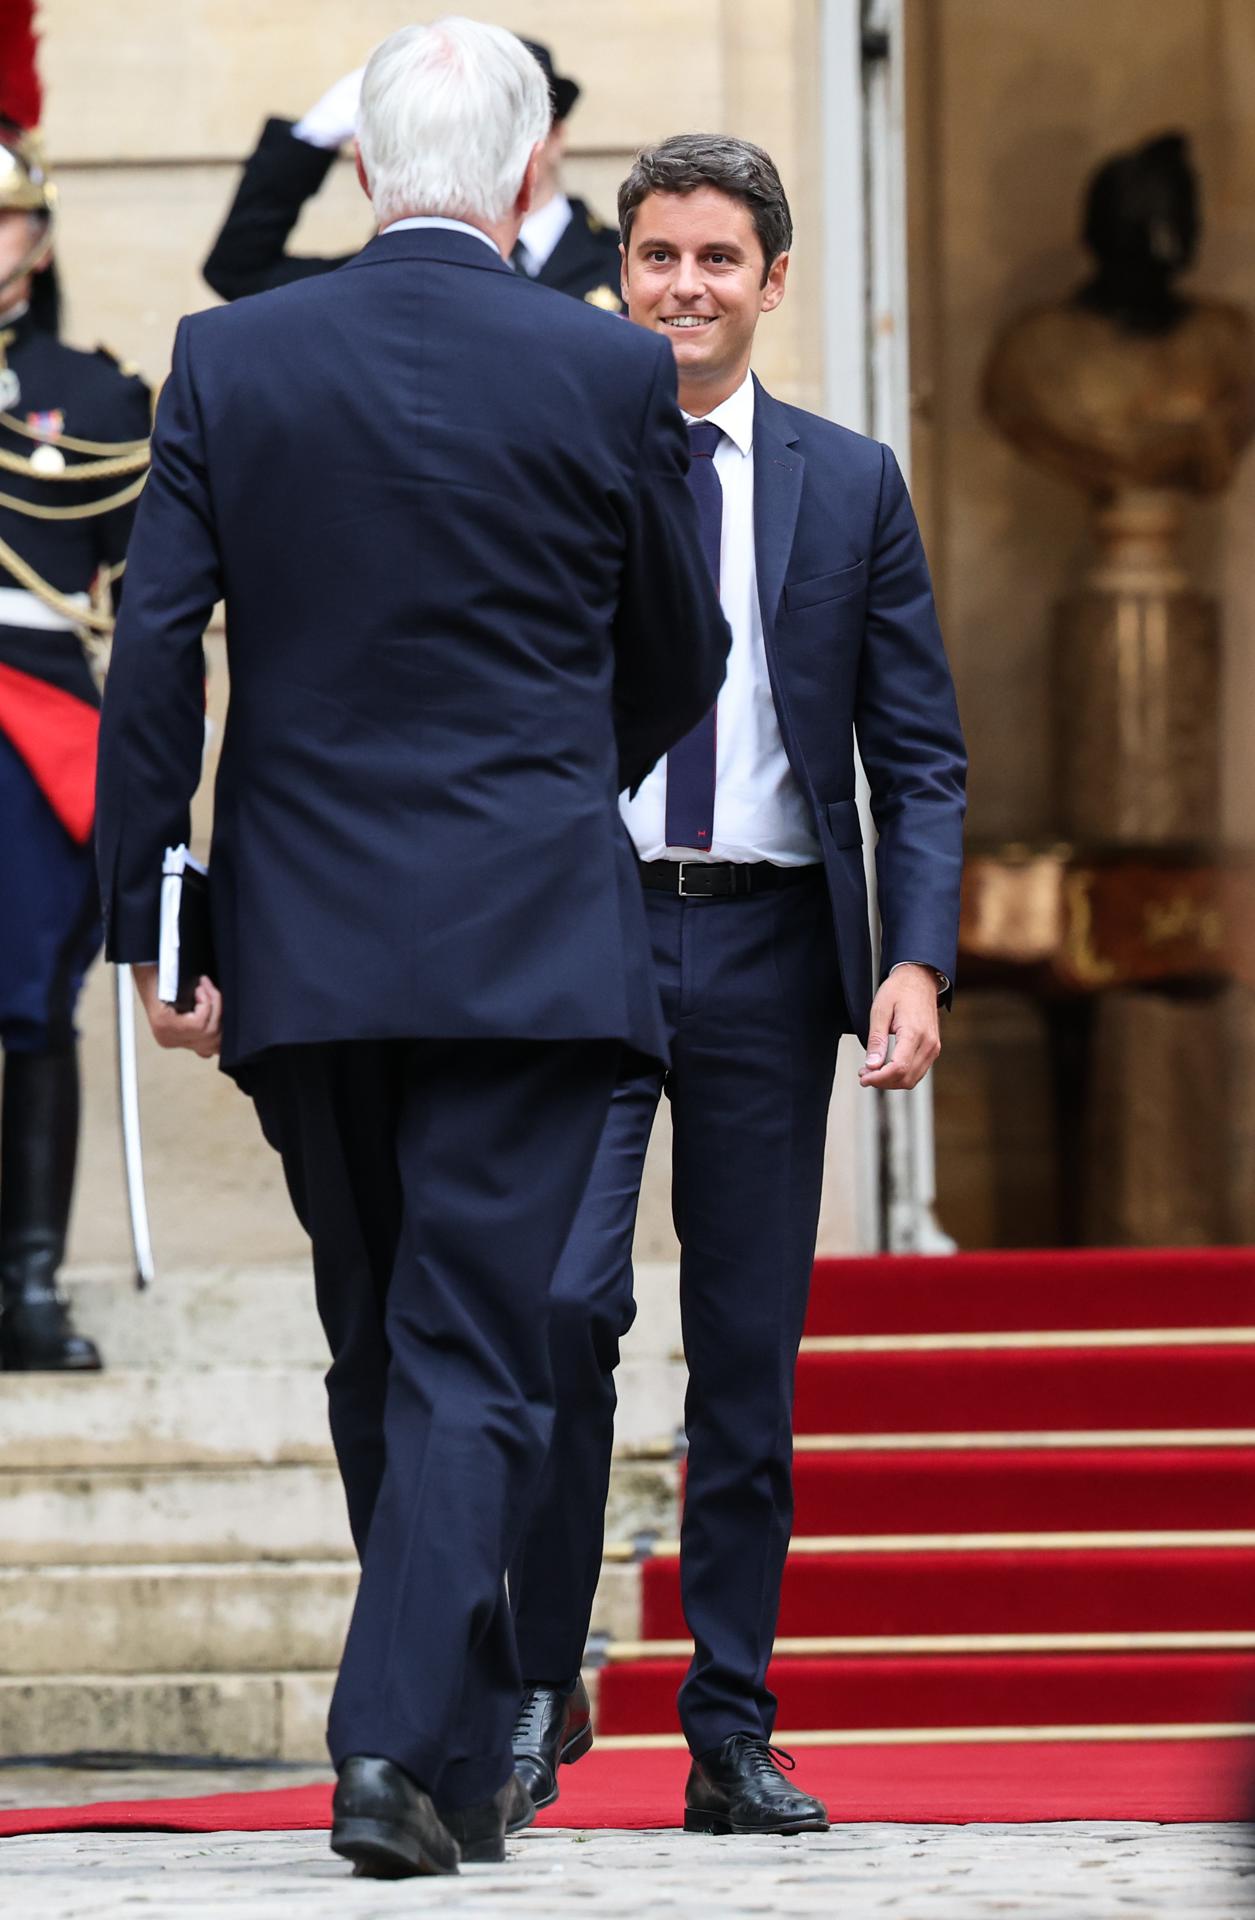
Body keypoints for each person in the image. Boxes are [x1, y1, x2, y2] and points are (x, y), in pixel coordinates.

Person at [95, 22, 727, 1881]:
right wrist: (554, 786)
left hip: (304, 935)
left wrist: (155, 907)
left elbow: (153, 650)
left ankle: (436, 1755)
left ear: (367, 169)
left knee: (382, 1335)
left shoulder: (234, 354)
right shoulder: (610, 367)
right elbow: (677, 651)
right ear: (531, 176)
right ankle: (399, 1743)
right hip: (530, 935)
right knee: (463, 1347)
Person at [508, 134, 967, 1835]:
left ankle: (729, 1728)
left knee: (749, 1360)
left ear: (776, 281)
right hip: (588, 937)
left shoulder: (849, 484)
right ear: (616, 272)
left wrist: (913, 956)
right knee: (556, 1318)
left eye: (717, 258)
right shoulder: (556, 457)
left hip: (777, 953)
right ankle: (528, 1693)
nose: (683, 287)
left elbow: (917, 754)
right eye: (656, 256)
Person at [0, 120, 150, 1371]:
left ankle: (29, 1283)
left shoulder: (95, 395)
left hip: (35, 722)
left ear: (37, 236)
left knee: (35, 1001)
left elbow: (149, 603)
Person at [203, 39, 623, 310]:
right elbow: (239, 271)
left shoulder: (626, 265)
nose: (485, 142)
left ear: (555, 135)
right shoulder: (392, 264)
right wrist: (314, 136)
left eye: (507, 121)